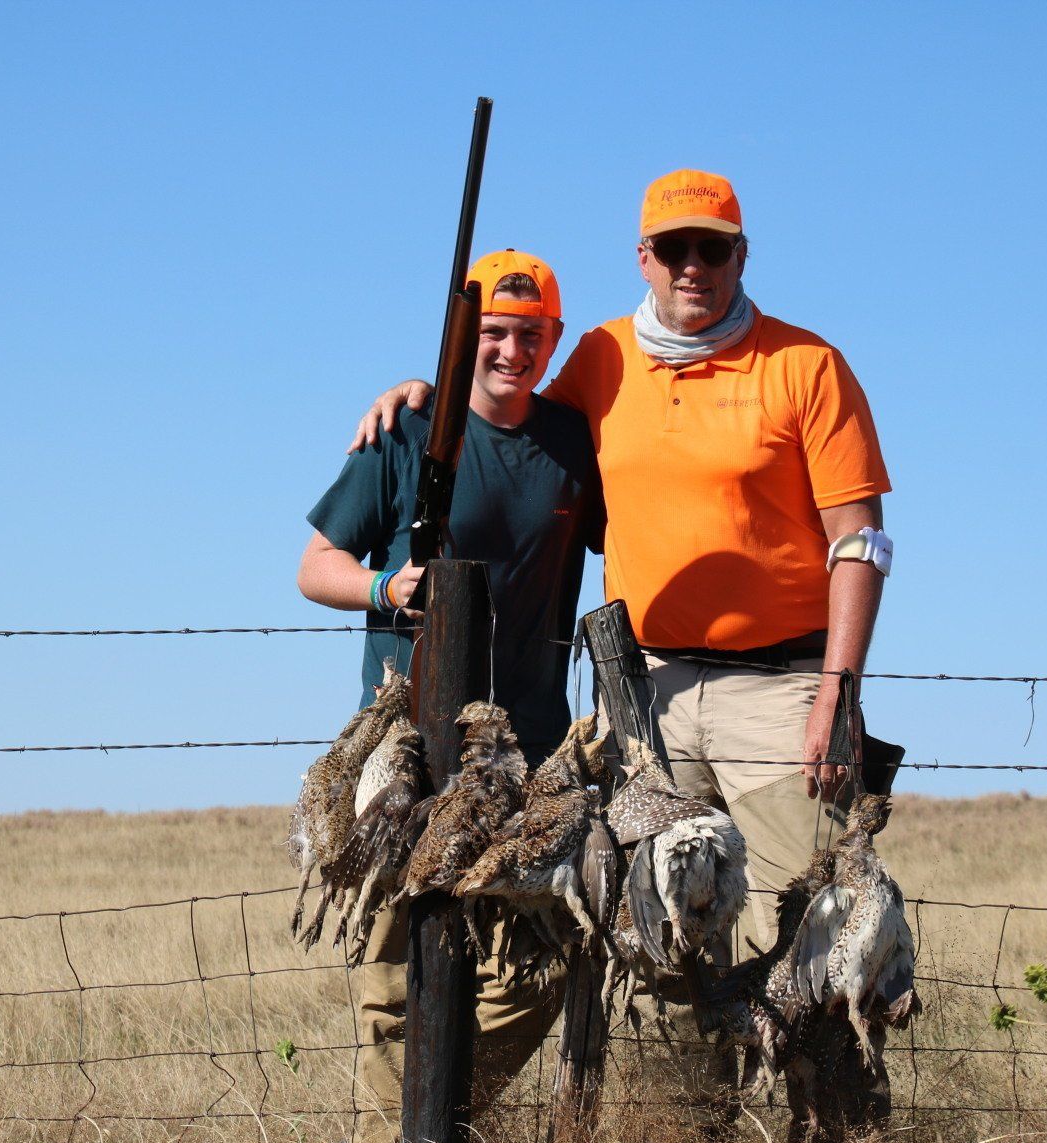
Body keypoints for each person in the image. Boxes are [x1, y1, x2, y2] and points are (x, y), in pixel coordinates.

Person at [354, 172, 891, 948]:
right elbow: (511, 410)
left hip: (782, 694)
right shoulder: (603, 356)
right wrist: (424, 393)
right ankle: (688, 1078)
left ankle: (808, 1074)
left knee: (805, 924)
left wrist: (838, 691)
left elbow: (860, 542)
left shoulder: (807, 366)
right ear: (644, 257)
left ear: (743, 257)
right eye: (675, 248)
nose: (693, 266)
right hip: (645, 695)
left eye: (714, 247)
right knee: (662, 932)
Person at [300, 248, 604, 1143]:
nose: (512, 351)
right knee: (394, 991)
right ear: (469, 338)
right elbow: (314, 568)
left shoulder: (570, 443)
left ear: (554, 342)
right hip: (410, 753)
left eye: (531, 335)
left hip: (527, 756)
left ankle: (433, 1131)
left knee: (550, 966)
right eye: (495, 334)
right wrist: (389, 587)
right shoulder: (404, 431)